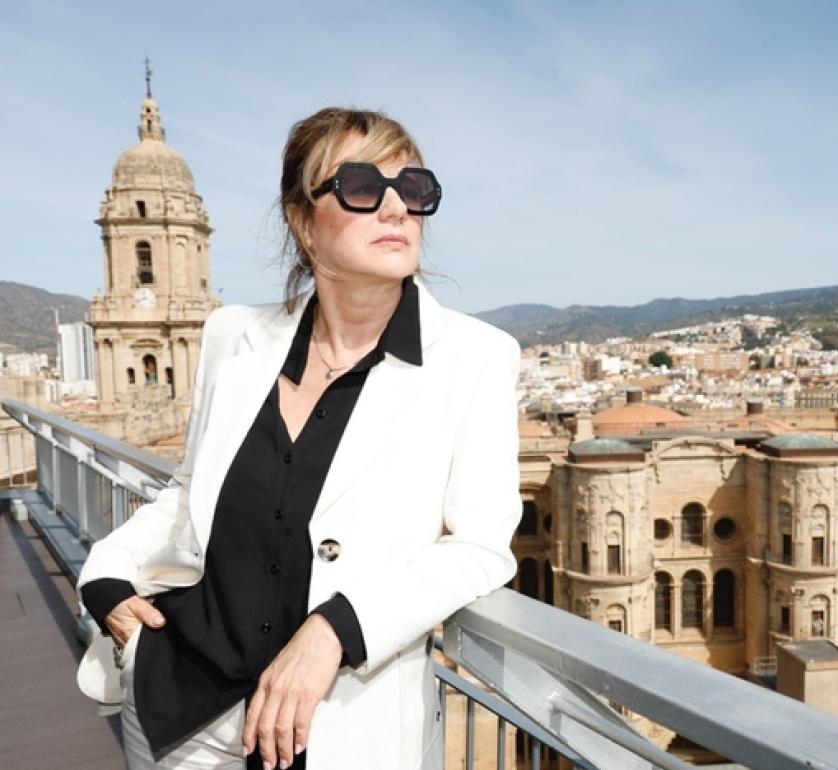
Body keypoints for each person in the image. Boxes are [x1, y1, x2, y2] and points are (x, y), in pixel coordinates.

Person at [75, 107, 523, 770]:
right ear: (302, 219)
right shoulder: (234, 338)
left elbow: (481, 547)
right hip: (181, 709)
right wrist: (105, 574)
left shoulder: (477, 358)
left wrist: (337, 629)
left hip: (337, 727)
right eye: (365, 187)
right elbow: (191, 492)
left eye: (415, 188)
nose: (398, 208)